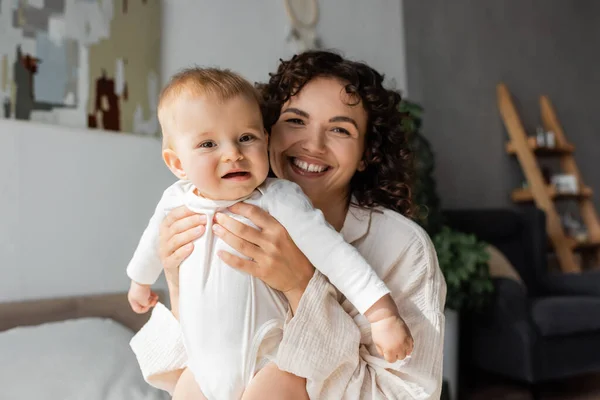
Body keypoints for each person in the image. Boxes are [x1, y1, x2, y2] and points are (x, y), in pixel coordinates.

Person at [130, 50, 447, 399]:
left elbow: (406, 394)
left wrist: (300, 286)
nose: (313, 145)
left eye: (340, 129)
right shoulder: (186, 204)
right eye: (296, 121)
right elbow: (177, 364)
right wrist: (174, 283)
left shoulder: (402, 246)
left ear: (366, 154)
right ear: (270, 132)